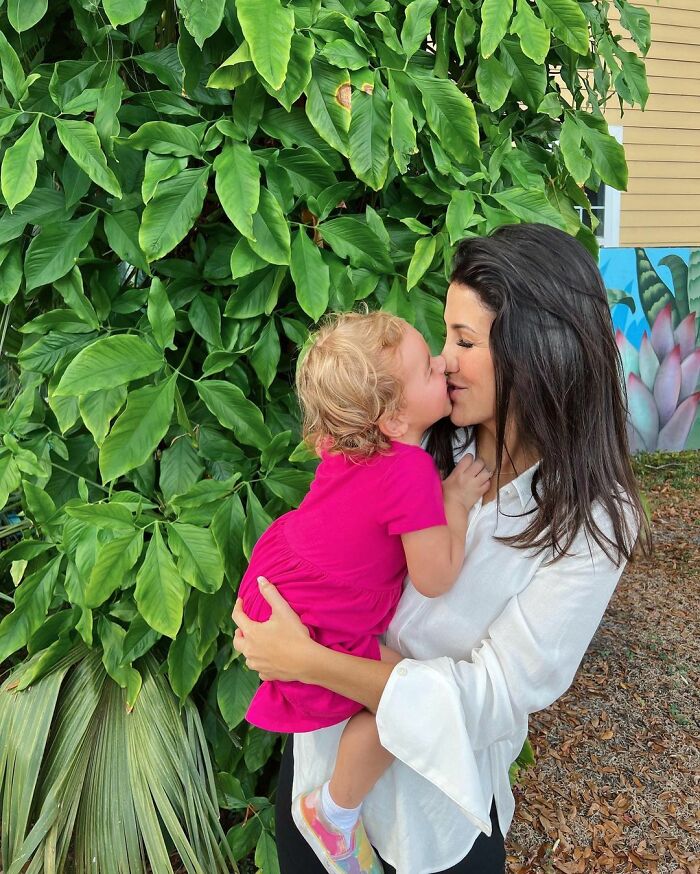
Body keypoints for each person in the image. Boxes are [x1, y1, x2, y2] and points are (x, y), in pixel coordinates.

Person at [233, 224, 649, 874]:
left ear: (534, 353)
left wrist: (309, 658)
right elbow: (323, 533)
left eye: (464, 340)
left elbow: (491, 695)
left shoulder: (594, 519)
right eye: (445, 336)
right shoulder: (415, 442)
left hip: (436, 822)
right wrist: (271, 613)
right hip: (320, 773)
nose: (446, 360)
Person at [237, 311, 491, 872]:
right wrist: (455, 502)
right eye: (429, 368)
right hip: (311, 610)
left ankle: (333, 810)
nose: (445, 363)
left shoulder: (352, 450)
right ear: (394, 415)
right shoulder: (409, 471)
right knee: (404, 698)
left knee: (402, 692)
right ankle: (333, 812)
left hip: (283, 584)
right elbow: (436, 576)